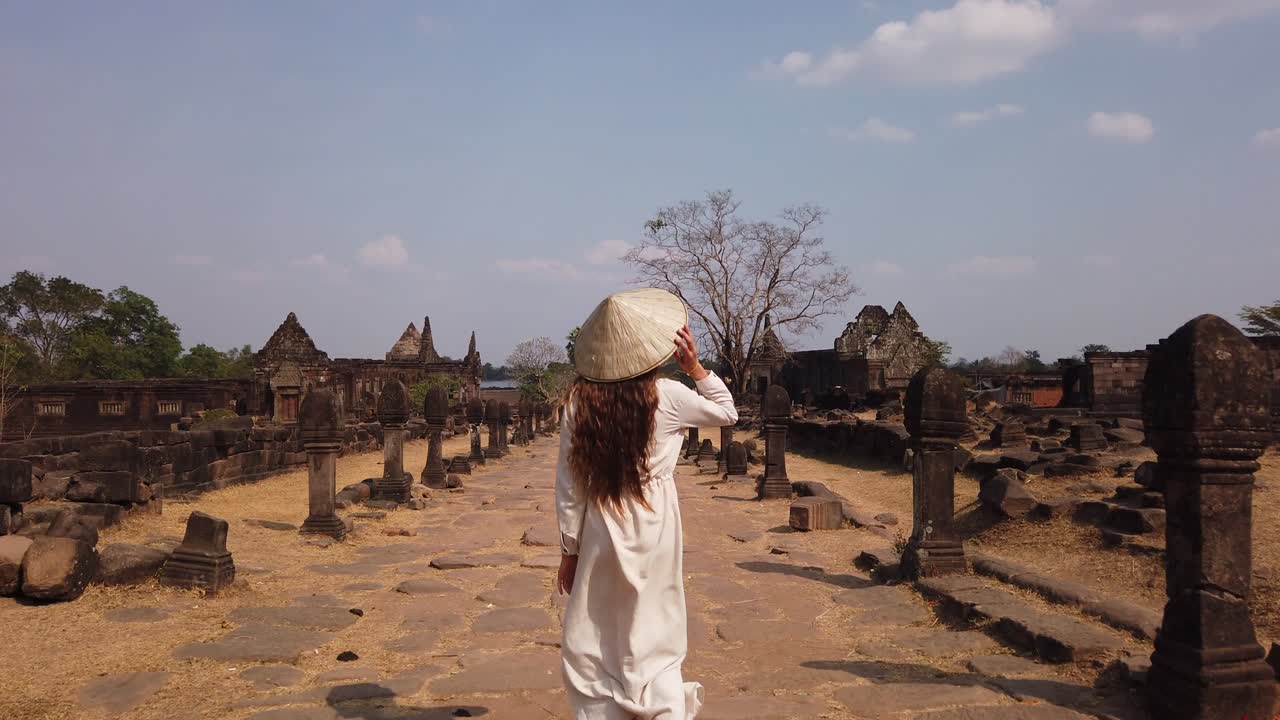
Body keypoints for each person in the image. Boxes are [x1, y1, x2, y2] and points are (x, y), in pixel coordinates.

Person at [555, 288, 738, 720]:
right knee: (656, 621)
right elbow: (728, 412)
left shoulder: (580, 403)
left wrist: (569, 550)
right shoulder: (669, 395)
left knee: (597, 625)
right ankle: (661, 706)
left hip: (601, 521)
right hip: (657, 521)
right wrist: (695, 367)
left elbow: (570, 485)